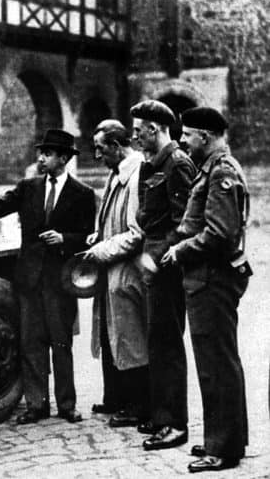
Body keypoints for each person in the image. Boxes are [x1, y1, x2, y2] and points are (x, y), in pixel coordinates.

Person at [0, 129, 95, 424]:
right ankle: (36, 405)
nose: (41, 158)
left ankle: (66, 405)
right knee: (31, 343)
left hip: (60, 284)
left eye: (47, 154)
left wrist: (64, 238)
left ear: (63, 158)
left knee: (61, 344)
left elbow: (87, 237)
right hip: (29, 281)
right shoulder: (28, 187)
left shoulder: (83, 194)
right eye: (41, 153)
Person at [161, 107, 251, 473]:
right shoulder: (211, 170)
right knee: (213, 364)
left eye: (188, 135)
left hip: (213, 279)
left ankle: (224, 448)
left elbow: (219, 234)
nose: (183, 141)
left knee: (217, 365)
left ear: (207, 136)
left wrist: (179, 250)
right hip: (204, 279)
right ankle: (223, 440)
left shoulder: (222, 173)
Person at [130, 100, 196, 451]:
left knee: (168, 343)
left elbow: (186, 222)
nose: (136, 137)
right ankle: (161, 415)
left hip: (167, 266)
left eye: (139, 131)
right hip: (153, 261)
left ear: (154, 130)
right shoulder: (153, 163)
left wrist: (157, 256)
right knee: (157, 340)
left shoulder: (176, 164)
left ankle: (175, 424)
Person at [83, 119, 149, 428]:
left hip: (126, 272)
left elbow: (137, 234)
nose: (97, 156)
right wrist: (98, 237)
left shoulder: (136, 177)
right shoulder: (116, 175)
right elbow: (111, 221)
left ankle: (136, 405)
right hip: (112, 269)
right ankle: (117, 398)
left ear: (116, 146)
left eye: (100, 149)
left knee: (129, 339)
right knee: (112, 336)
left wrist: (102, 248)